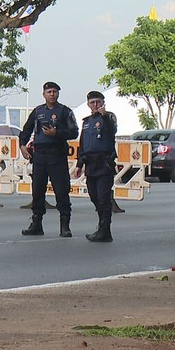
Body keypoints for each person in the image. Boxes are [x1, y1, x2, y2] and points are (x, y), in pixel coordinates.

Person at [19, 81, 78, 237]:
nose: (52, 94)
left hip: (57, 156)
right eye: (49, 92)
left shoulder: (65, 111)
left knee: (62, 191)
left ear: (58, 94)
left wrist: (56, 133)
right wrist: (22, 145)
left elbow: (74, 132)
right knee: (37, 191)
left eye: (54, 92)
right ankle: (36, 223)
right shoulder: (38, 111)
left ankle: (65, 225)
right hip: (40, 157)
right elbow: (26, 130)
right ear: (43, 94)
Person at [74, 91, 118, 242]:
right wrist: (79, 164)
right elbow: (83, 144)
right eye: (92, 102)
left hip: (104, 163)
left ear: (103, 102)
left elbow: (112, 130)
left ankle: (105, 230)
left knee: (103, 197)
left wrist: (104, 116)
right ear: (88, 104)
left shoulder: (108, 117)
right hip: (90, 164)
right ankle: (101, 225)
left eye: (98, 102)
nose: (95, 105)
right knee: (94, 196)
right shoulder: (86, 122)